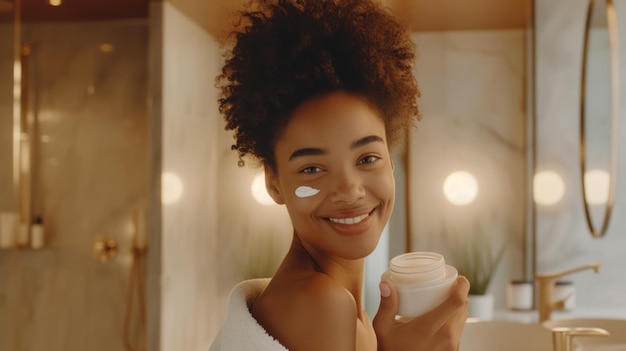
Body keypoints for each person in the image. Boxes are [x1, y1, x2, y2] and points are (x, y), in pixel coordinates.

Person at [210, 0, 470, 350]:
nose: (349, 189)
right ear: (274, 183)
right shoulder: (319, 303)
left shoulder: (343, 310)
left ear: (391, 162)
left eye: (367, 158)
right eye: (312, 169)